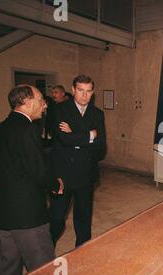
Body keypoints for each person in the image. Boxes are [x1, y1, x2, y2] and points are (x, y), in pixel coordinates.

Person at [0, 85, 64, 275]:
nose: (44, 104)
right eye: (41, 99)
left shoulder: (0, 128)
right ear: (27, 102)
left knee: (8, 269)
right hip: (27, 216)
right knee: (46, 270)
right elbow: (37, 170)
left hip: (4, 214)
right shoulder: (27, 129)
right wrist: (55, 184)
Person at [50, 75, 106, 247]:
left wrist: (74, 133)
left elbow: (101, 144)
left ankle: (83, 251)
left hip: (86, 173)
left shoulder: (97, 113)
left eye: (88, 91)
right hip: (63, 174)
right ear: (73, 90)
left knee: (83, 218)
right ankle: (44, 253)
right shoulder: (59, 110)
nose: (84, 95)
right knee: (56, 218)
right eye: (80, 90)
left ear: (93, 92)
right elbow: (63, 139)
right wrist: (90, 134)